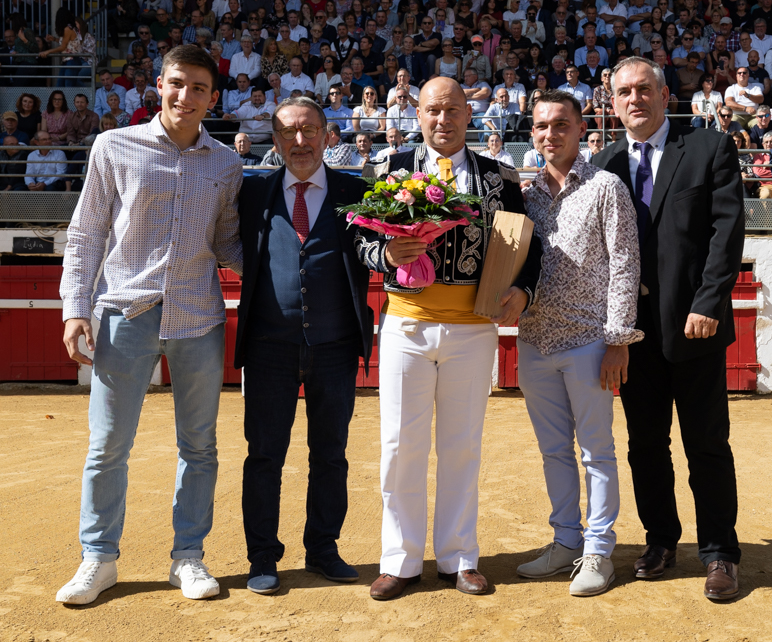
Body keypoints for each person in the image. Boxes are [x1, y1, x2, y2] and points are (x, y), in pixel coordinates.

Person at [56, 45, 243, 606]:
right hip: (124, 313)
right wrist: (74, 308)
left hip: (198, 318)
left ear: (213, 98)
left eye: (199, 88)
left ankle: (188, 557)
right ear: (158, 85)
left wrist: (296, 258)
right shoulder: (114, 146)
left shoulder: (227, 163)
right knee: (107, 445)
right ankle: (98, 557)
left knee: (200, 447)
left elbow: (228, 241)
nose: (186, 97)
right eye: (177, 84)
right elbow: (86, 233)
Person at [361, 77, 541, 601]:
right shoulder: (390, 170)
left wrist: (523, 292)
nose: (443, 120)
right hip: (406, 323)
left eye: (453, 111)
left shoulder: (499, 177)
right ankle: (400, 559)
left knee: (461, 446)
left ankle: (460, 558)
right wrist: (384, 256)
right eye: (433, 111)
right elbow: (360, 239)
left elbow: (528, 244)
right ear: (417, 114)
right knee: (399, 446)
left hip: (472, 329)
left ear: (470, 115)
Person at [591, 56, 745, 601]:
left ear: (663, 95)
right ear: (612, 104)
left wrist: (708, 302)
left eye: (643, 89)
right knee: (645, 445)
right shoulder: (605, 163)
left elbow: (726, 234)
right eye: (623, 92)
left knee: (706, 443)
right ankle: (660, 540)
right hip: (633, 333)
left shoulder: (707, 147)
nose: (634, 99)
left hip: (695, 326)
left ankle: (720, 551)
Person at [234, 96, 378, 594]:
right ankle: (262, 557)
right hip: (268, 346)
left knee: (330, 454)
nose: (299, 141)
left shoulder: (357, 190)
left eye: (309, 130)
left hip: (335, 346)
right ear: (274, 140)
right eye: (288, 132)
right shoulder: (252, 192)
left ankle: (322, 549)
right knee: (264, 456)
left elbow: (374, 250)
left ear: (327, 135)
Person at [514, 90, 641, 597]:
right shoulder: (526, 197)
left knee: (596, 452)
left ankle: (598, 551)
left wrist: (617, 339)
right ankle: (565, 540)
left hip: (590, 341)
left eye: (561, 124)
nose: (551, 134)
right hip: (535, 341)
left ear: (581, 128)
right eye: (542, 126)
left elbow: (626, 264)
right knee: (553, 452)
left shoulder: (607, 187)